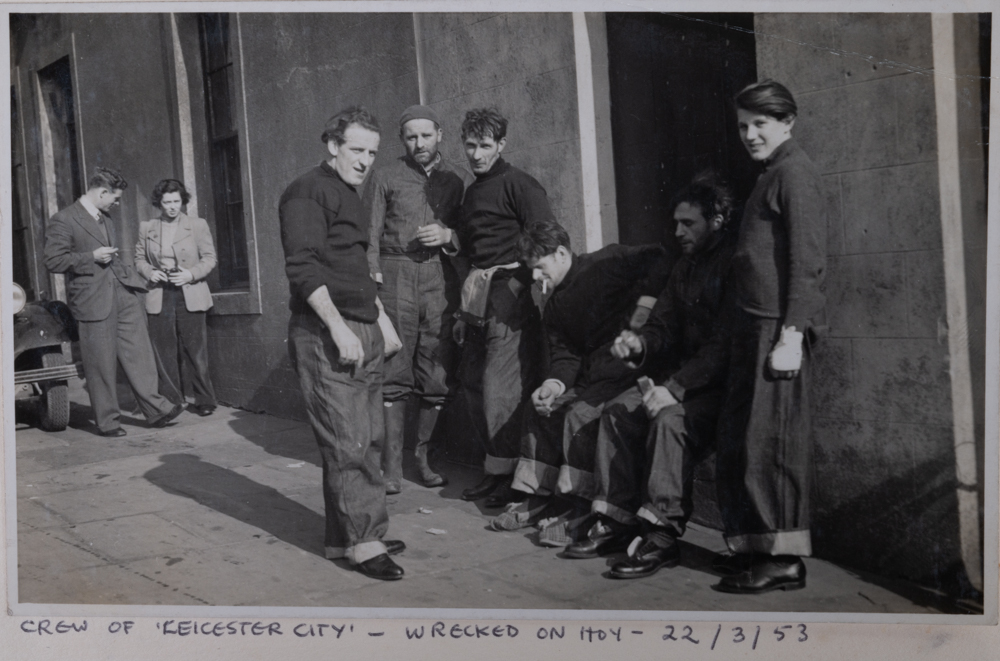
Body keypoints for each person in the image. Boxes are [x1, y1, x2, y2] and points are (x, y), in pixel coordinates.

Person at [564, 174, 736, 578]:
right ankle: (616, 519)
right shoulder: (684, 267)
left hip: (720, 387)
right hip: (681, 381)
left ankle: (661, 536)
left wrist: (675, 388)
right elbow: (663, 324)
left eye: (688, 223)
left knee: (668, 421)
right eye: (676, 223)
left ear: (717, 221)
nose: (678, 232)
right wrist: (639, 343)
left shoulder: (734, 265)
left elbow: (725, 345)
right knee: (618, 411)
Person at [279, 106, 407, 581]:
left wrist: (381, 320)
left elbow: (354, 267)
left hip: (362, 326)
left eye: (372, 153)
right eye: (356, 150)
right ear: (332, 145)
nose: (365, 161)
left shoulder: (348, 192)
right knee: (347, 442)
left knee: (365, 438)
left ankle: (345, 537)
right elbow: (303, 267)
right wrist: (337, 327)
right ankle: (365, 540)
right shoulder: (307, 191)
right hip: (327, 334)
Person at [711, 80, 827, 594]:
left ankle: (783, 561)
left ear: (788, 122)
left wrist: (792, 333)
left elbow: (808, 264)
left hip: (776, 330)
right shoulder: (771, 174)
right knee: (747, 442)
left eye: (760, 123)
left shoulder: (795, 173)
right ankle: (758, 549)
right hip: (751, 328)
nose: (750, 134)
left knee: (772, 444)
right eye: (743, 125)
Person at [488, 220, 666, 537]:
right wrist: (552, 384)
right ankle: (538, 497)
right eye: (531, 270)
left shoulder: (605, 262)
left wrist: (643, 313)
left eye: (539, 267)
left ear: (560, 253)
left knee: (579, 415)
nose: (535, 277)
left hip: (635, 371)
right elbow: (566, 356)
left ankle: (581, 508)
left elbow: (659, 257)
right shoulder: (555, 305)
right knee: (540, 411)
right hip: (596, 378)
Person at [450, 108, 555, 506]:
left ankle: (510, 478)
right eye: (470, 145)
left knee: (501, 388)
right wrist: (464, 311)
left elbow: (547, 239)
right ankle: (495, 469)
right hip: (478, 295)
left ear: (501, 145)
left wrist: (523, 284)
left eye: (485, 145)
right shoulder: (473, 192)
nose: (476, 154)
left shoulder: (521, 185)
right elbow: (472, 248)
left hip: (511, 295)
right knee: (473, 383)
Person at [364, 105, 471, 493]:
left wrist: (449, 237)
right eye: (411, 137)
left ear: (440, 134)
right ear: (402, 140)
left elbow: (471, 232)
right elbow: (369, 234)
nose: (419, 143)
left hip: (439, 278)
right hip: (396, 275)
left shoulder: (456, 179)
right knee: (394, 369)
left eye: (426, 135)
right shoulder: (385, 176)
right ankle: (391, 468)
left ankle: (424, 460)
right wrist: (372, 283)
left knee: (436, 371)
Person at [43, 167, 184, 437]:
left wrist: (132, 282)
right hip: (93, 299)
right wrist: (91, 257)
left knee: (140, 353)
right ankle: (108, 421)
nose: (117, 204)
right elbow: (53, 260)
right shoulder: (63, 219)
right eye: (115, 199)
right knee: (101, 364)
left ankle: (156, 409)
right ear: (102, 192)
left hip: (123, 293)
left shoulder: (106, 218)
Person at [135, 179, 218, 417]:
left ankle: (204, 399)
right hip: (160, 292)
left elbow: (210, 258)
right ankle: (172, 400)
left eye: (176, 201)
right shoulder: (147, 227)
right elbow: (139, 259)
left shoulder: (197, 225)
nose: (172, 207)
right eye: (167, 202)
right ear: (159, 203)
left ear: (183, 201)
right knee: (164, 350)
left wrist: (190, 274)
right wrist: (150, 272)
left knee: (196, 349)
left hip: (190, 291)